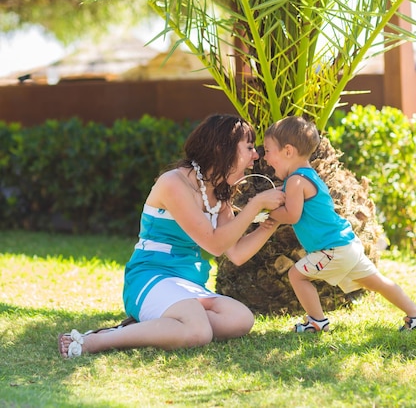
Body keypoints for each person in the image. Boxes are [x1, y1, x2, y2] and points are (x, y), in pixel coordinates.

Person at [58, 114, 285, 357]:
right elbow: (215, 244)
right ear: (222, 148)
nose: (256, 155)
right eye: (249, 147)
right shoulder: (174, 183)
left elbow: (236, 253)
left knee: (239, 319)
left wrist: (271, 223)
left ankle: (149, 326)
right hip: (151, 276)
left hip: (186, 284)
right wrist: (256, 204)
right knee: (198, 332)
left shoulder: (219, 191)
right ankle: (95, 341)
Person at [263, 116, 416, 333]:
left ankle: (316, 322)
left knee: (297, 275)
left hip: (332, 249)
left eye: (268, 151)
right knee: (377, 283)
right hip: (346, 245)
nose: (265, 158)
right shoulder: (309, 176)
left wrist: (268, 212)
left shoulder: (295, 181)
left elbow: (292, 216)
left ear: (288, 151)